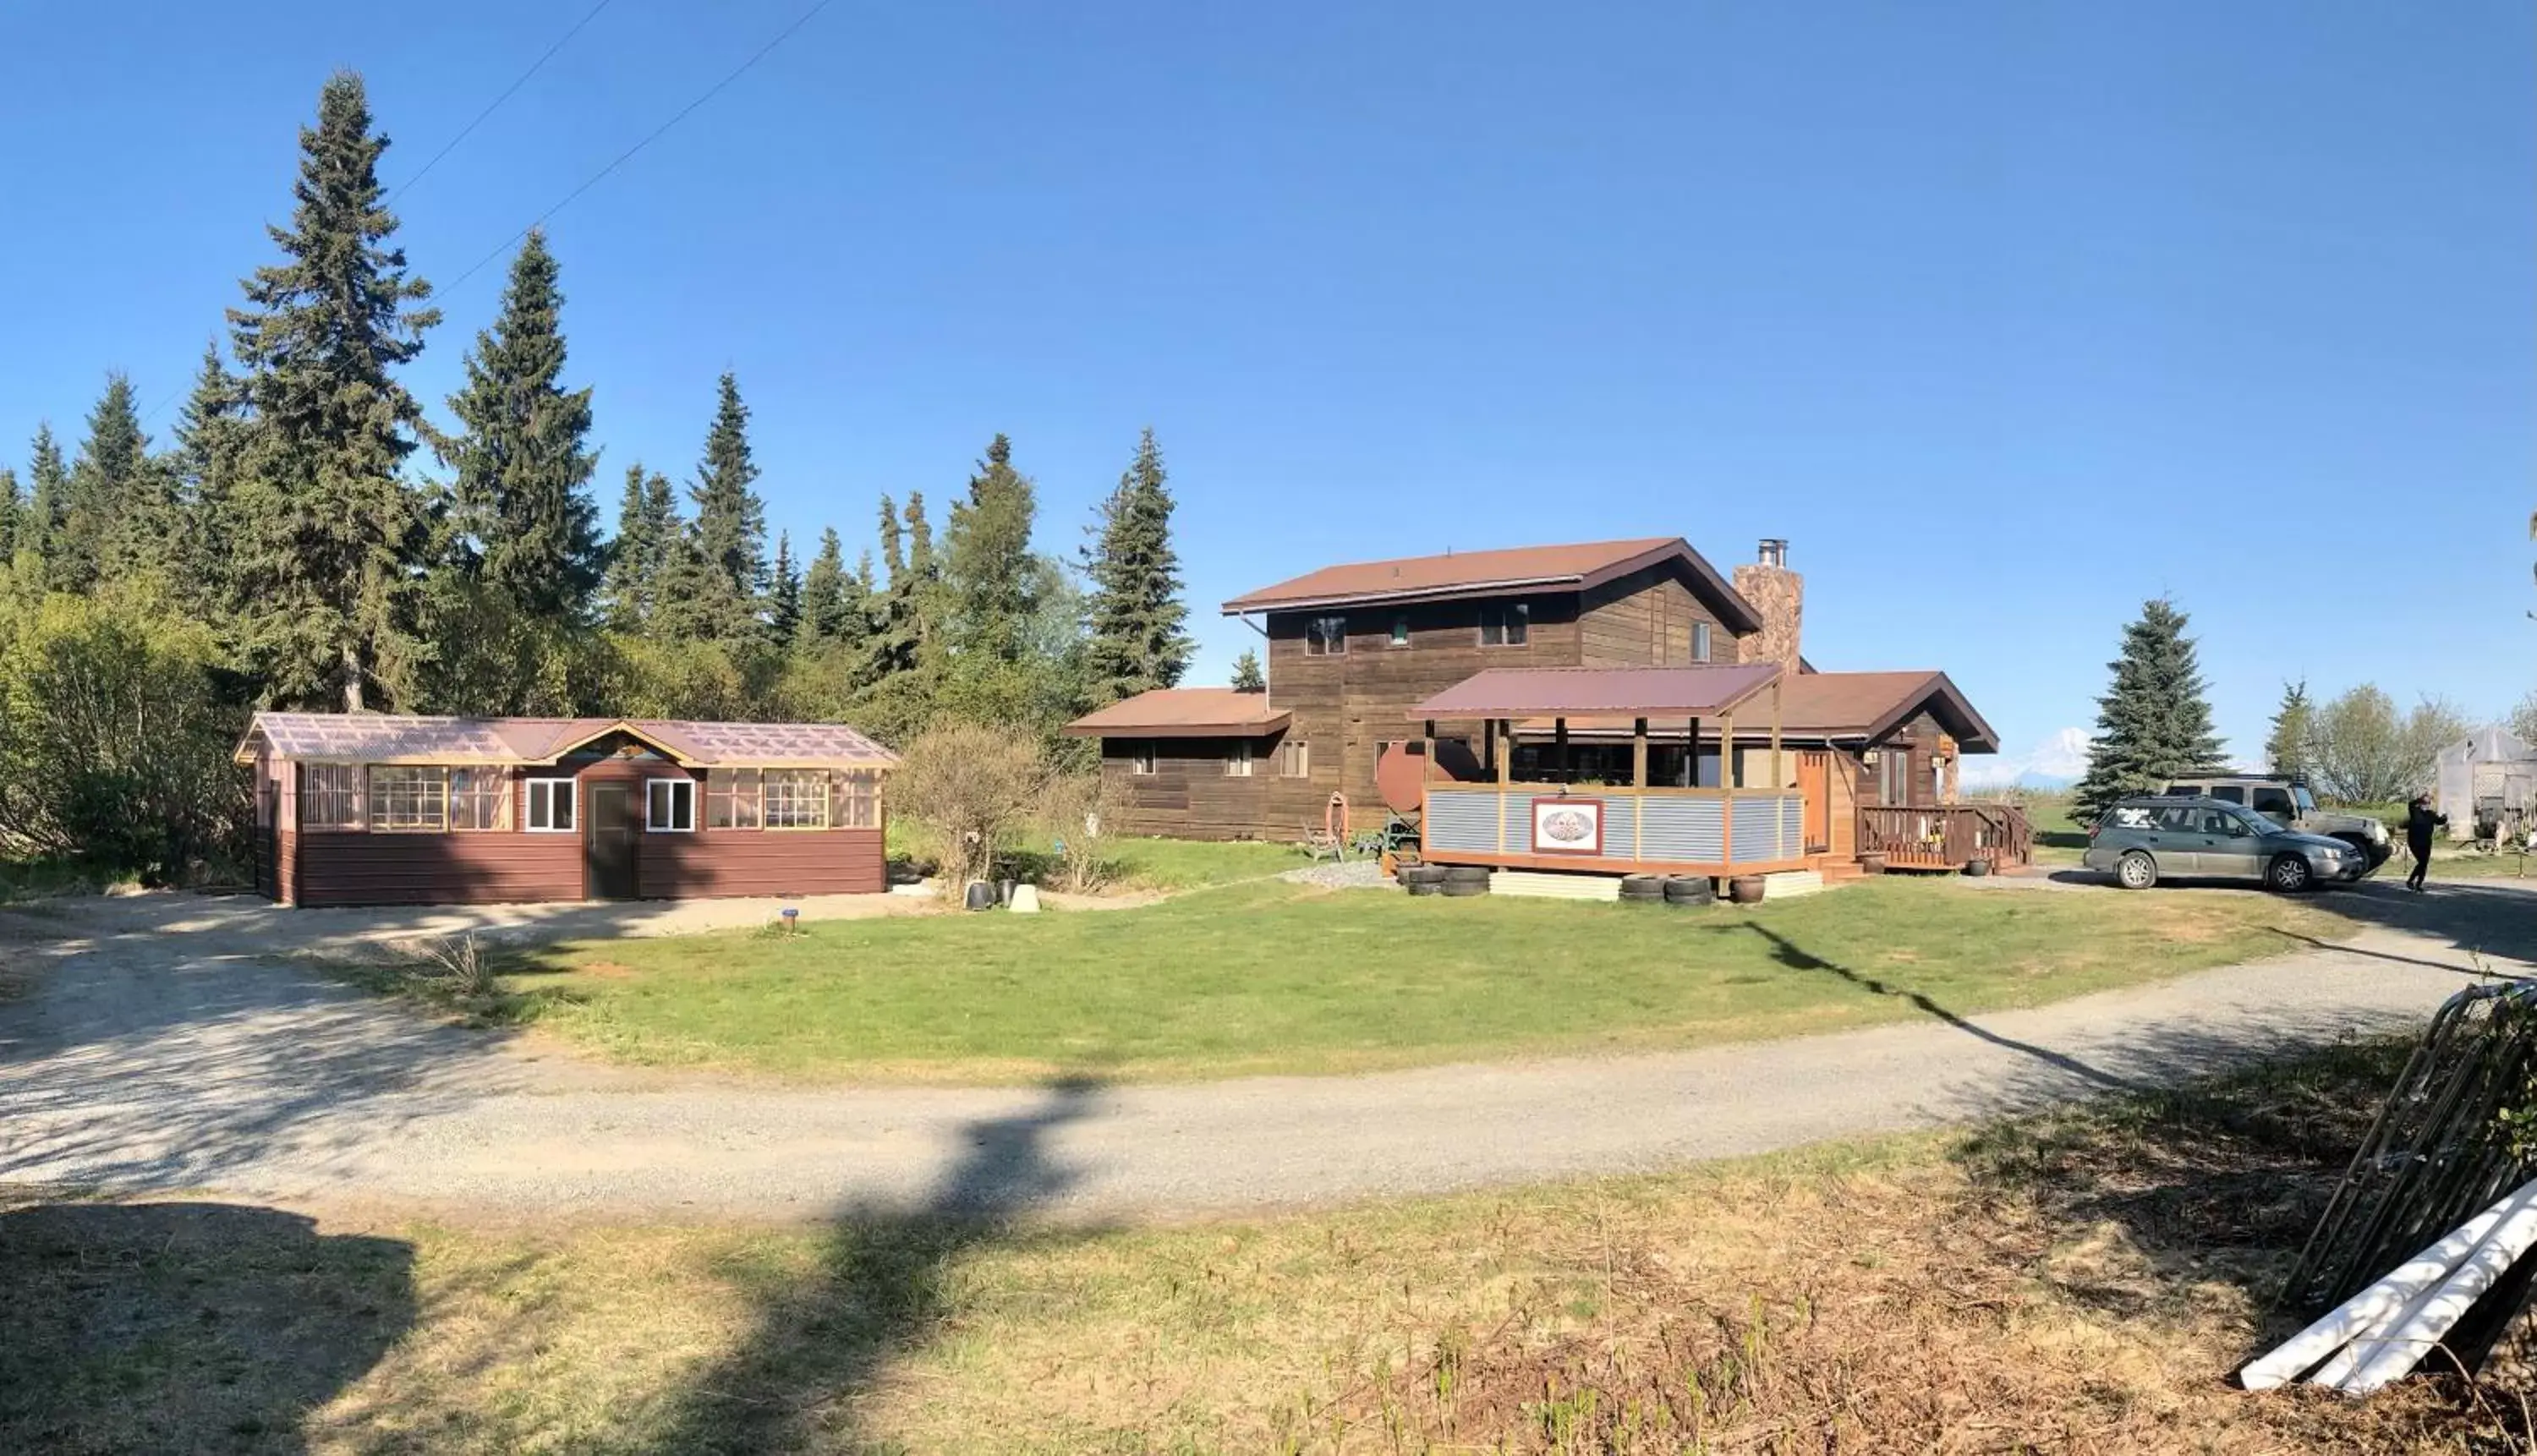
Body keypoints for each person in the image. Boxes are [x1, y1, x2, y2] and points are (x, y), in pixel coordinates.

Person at [2404, 792, 2447, 891]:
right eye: (2424, 802)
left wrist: (2445, 817)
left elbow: (2440, 821)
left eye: (2428, 803)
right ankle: (2411, 881)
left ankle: (2417, 884)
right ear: (2420, 803)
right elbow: (2411, 804)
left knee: (2424, 863)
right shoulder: (2414, 811)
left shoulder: (2431, 814)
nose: (2426, 805)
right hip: (2414, 842)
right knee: (2422, 862)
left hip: (2426, 842)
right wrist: (2420, 799)